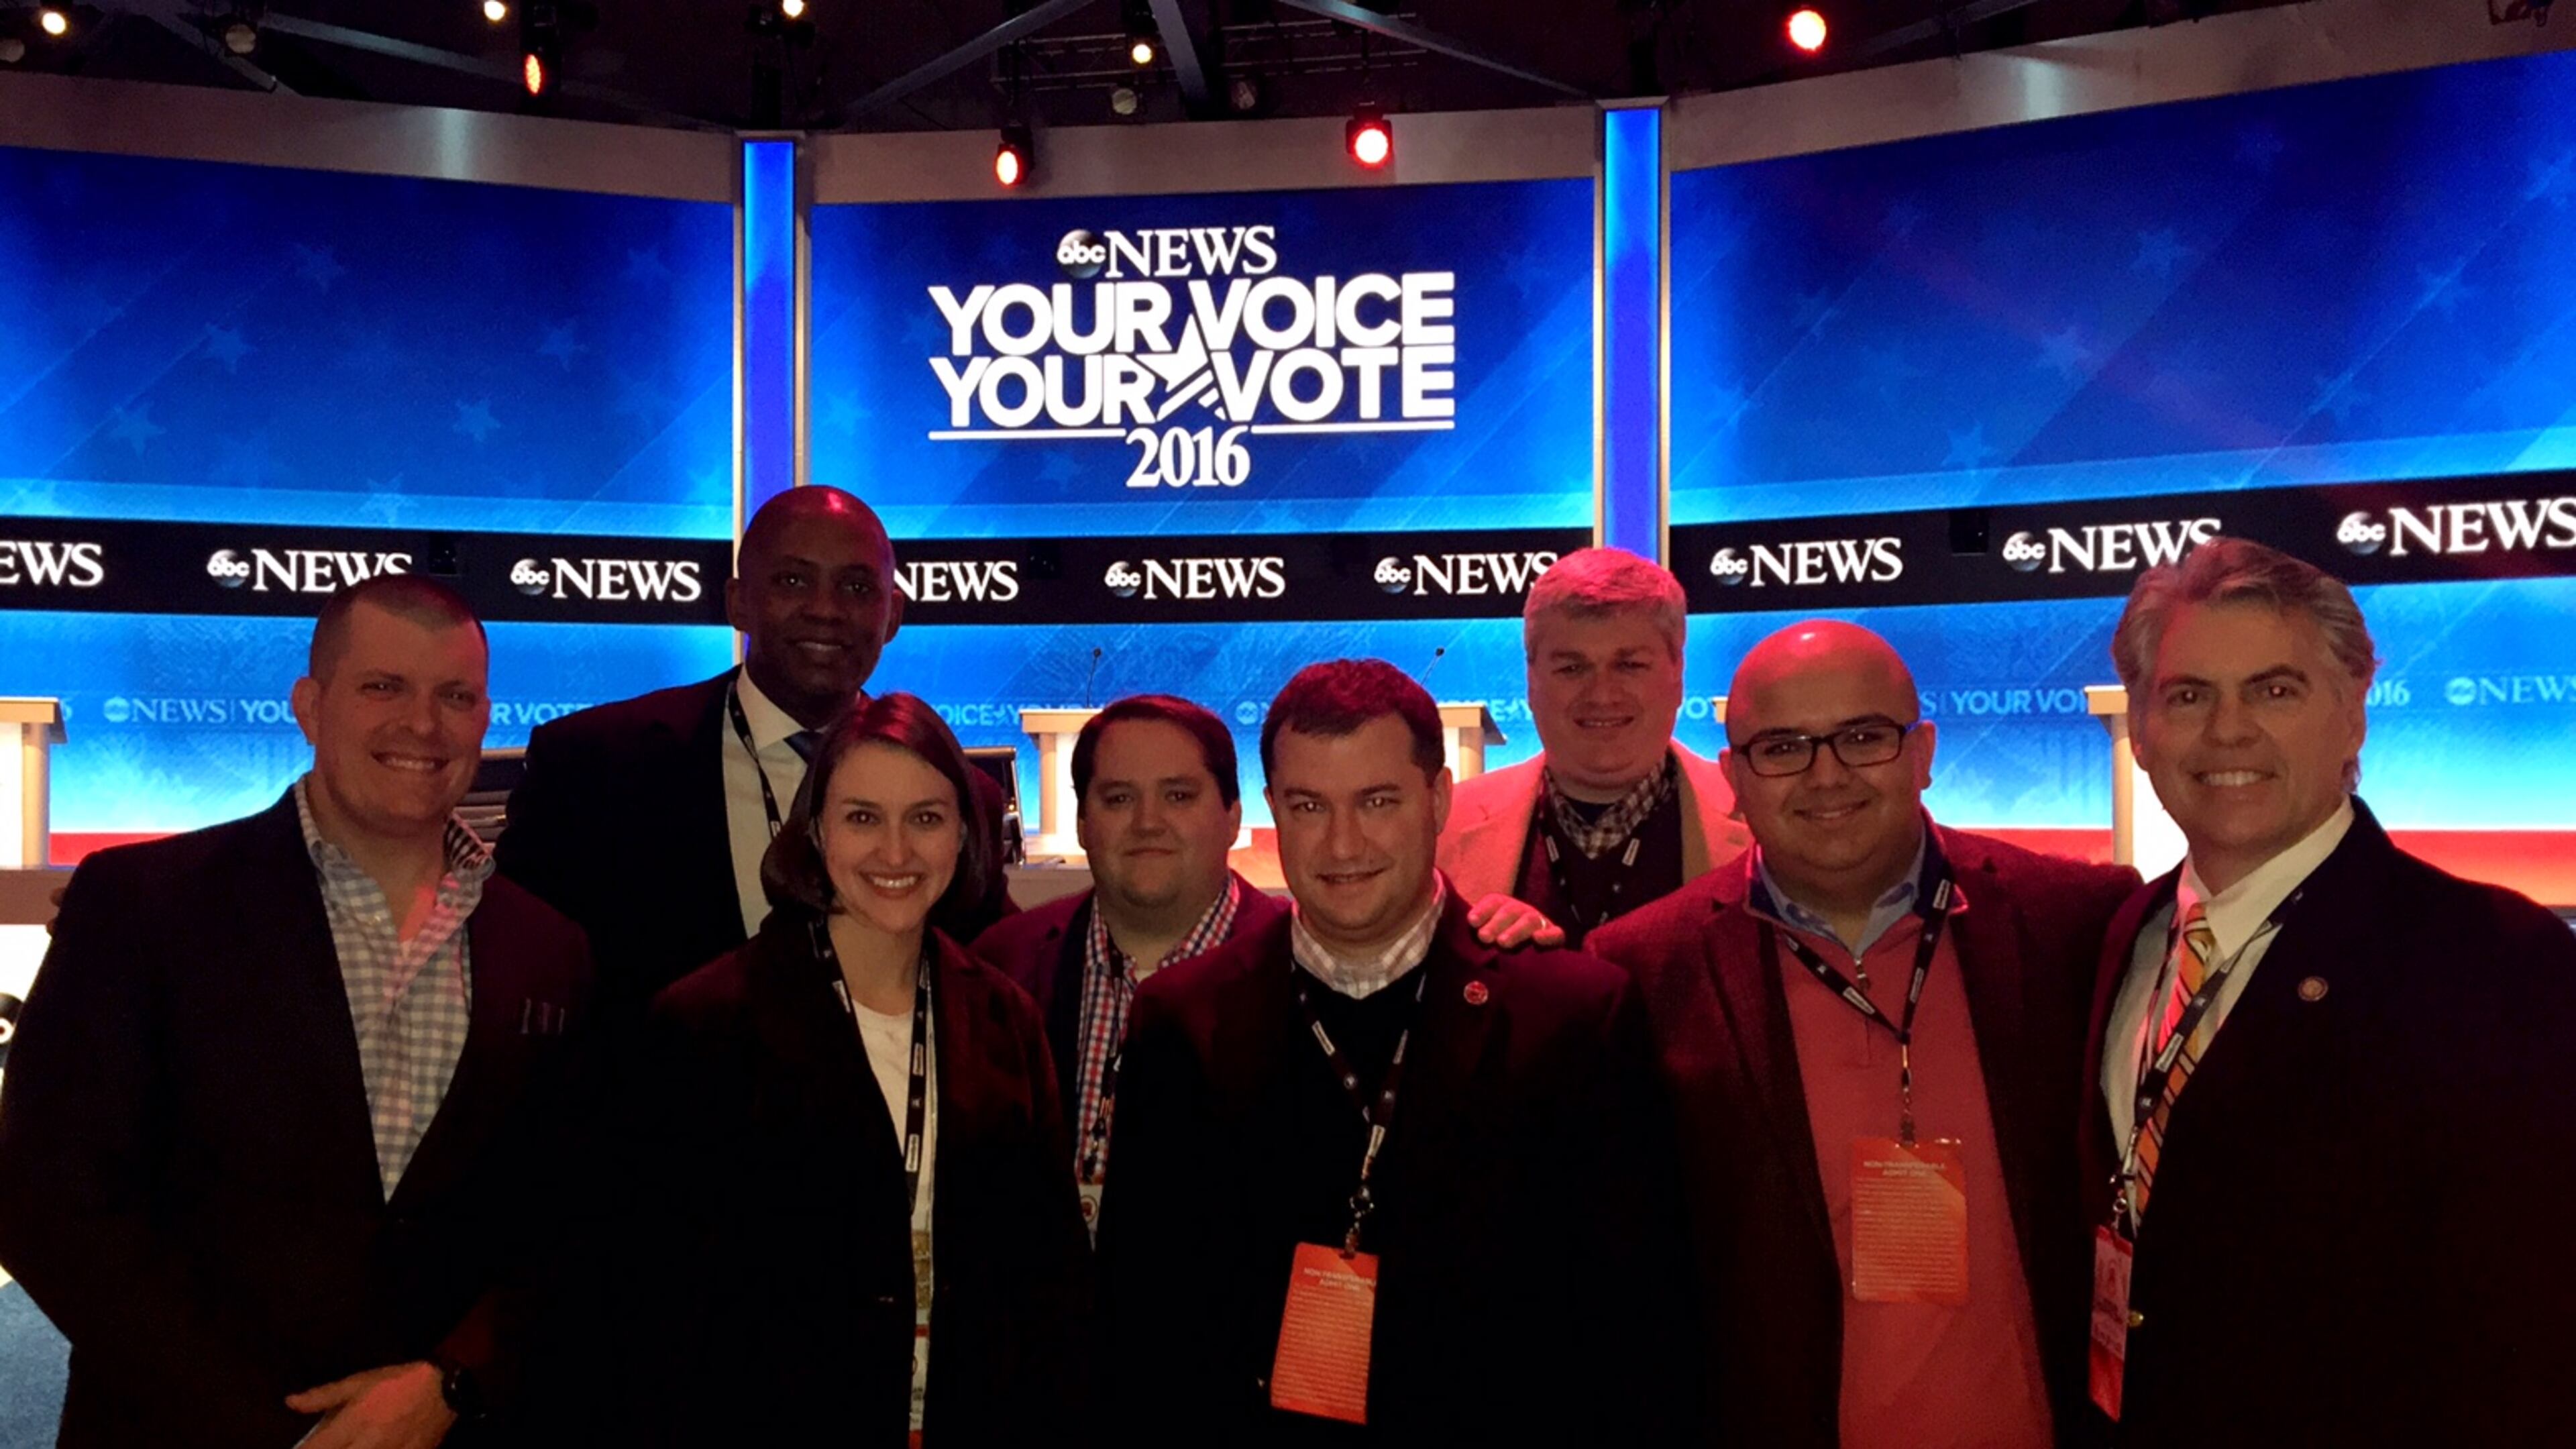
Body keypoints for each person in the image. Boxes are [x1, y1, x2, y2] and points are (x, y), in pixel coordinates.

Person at [0, 576, 594, 1449]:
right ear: (310, 707)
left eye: (454, 696)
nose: (422, 726)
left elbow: (565, 1218)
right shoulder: (143, 906)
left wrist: (456, 1380)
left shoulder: (550, 949)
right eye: (383, 687)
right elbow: (48, 1202)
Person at [1100, 659, 1690, 1444]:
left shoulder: (1572, 1015)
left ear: (1439, 799)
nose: (1343, 843)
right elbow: (1144, 1325)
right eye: (1310, 806)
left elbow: (1633, 1327)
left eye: (1377, 801)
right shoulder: (1183, 1020)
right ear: (1273, 809)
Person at [1588, 620, 2139, 1448]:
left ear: (1922, 752)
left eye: (1862, 737)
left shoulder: (2077, 925)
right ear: (1733, 775)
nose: (1826, 774)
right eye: (1783, 747)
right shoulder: (1641, 969)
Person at [2078, 538, 2576, 1446]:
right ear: (2142, 732)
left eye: (2275, 690)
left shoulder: (2497, 961)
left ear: (2353, 715)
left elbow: (2532, 1329)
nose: (2229, 732)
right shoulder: (2124, 937)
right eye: (2189, 696)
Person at [631, 692, 1086, 1446]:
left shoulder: (1005, 1018)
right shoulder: (707, 1022)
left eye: (927, 819)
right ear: (814, 830)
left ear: (967, 833)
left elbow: (1048, 1279)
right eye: (863, 817)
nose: (897, 853)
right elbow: (659, 1300)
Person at [496, 486, 1011, 1024]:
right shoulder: (594, 767)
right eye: (793, 580)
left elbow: (989, 986)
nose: (825, 610)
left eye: (857, 587)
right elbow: (514, 974)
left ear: (892, 616)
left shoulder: (962, 800)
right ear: (738, 603)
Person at [969, 694, 1283, 1235]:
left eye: (1179, 796)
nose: (1148, 823)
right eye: (1118, 799)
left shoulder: (1299, 971)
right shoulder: (1001, 967)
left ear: (1233, 816)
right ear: (1084, 823)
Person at [1438, 547, 1750, 947]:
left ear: (1679, 673)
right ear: (1531, 680)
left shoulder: (1764, 824)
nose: (1602, 695)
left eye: (1630, 665)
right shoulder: (1439, 831)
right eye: (1572, 668)